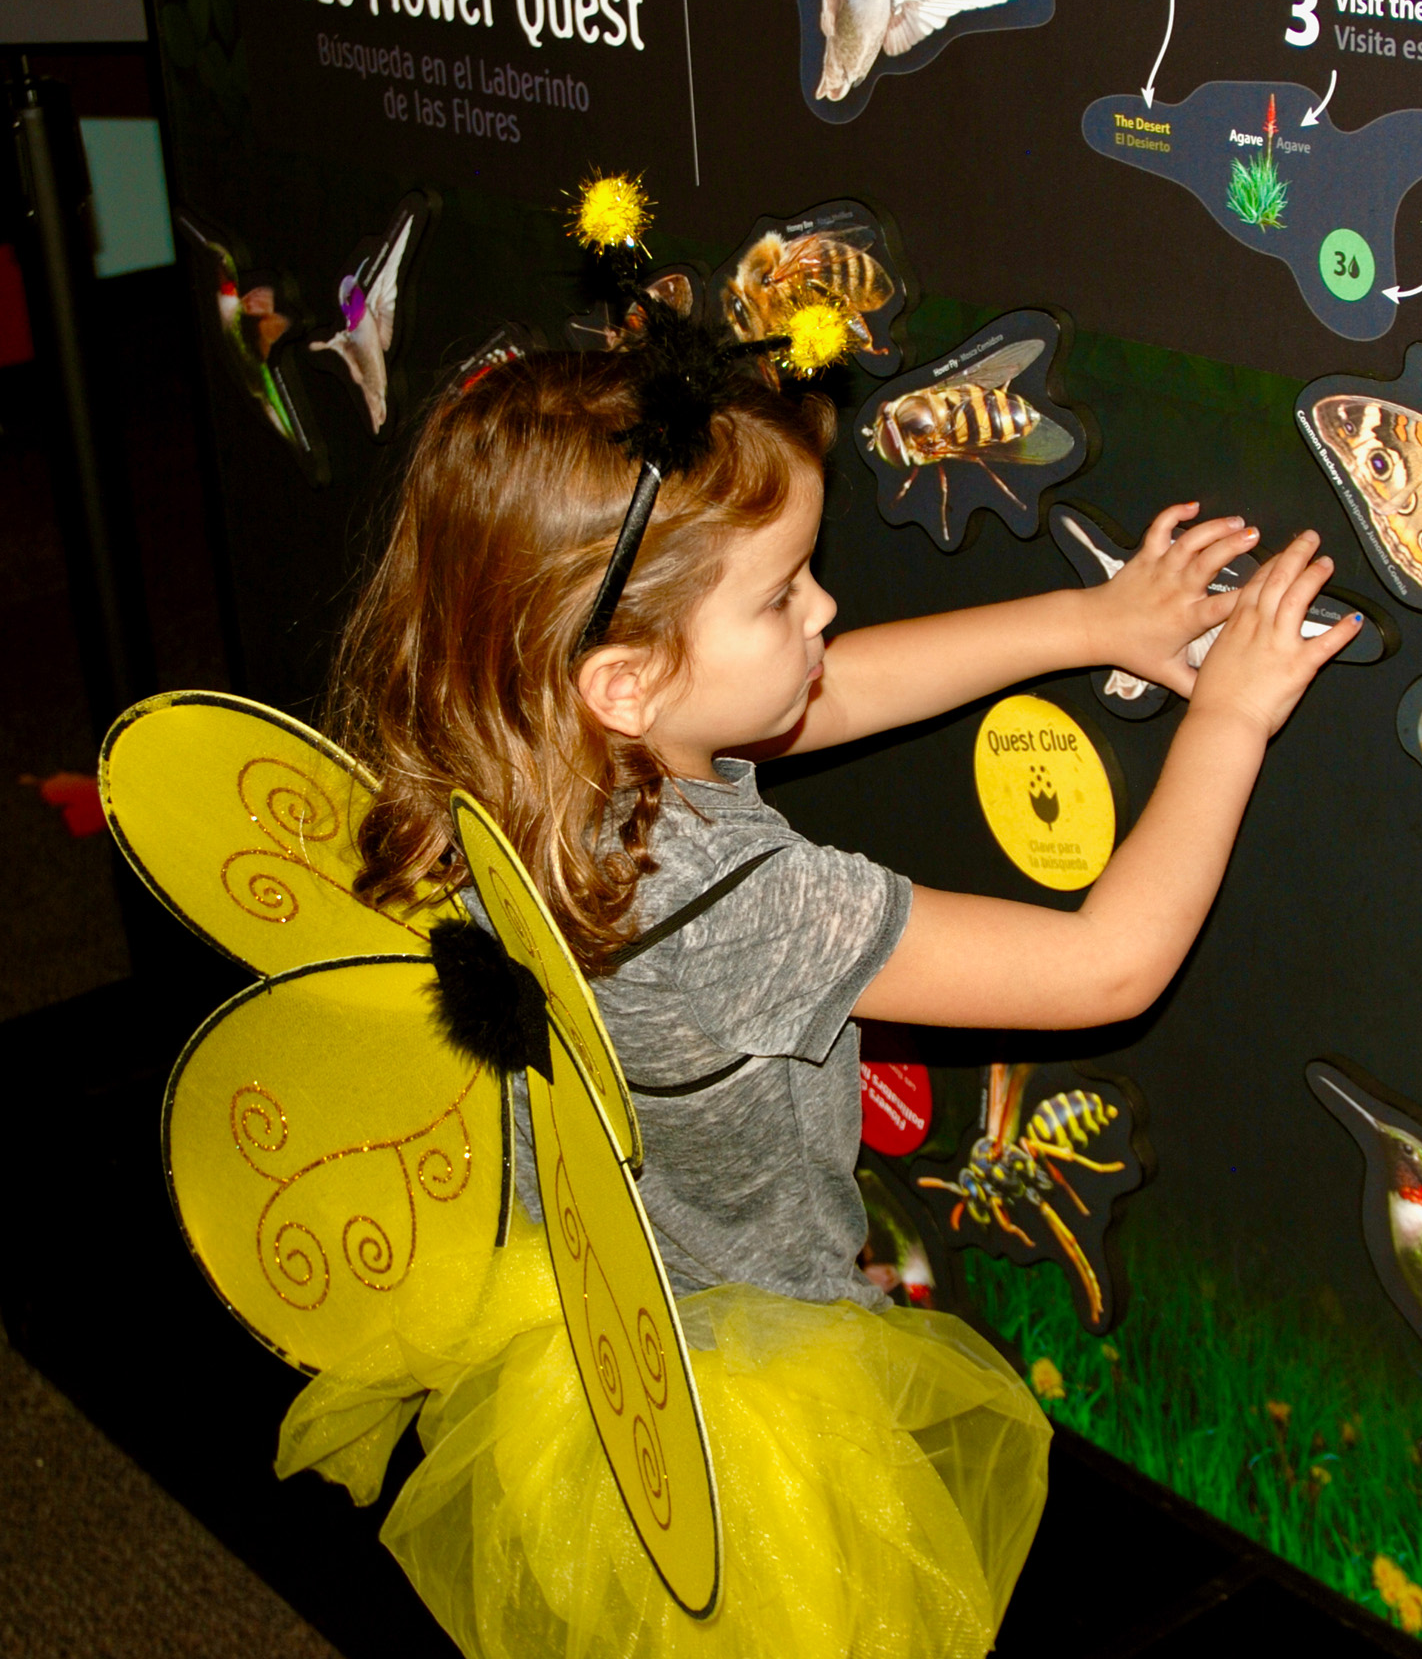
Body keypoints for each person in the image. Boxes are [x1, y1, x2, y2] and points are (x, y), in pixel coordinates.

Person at [301, 324, 1360, 1658]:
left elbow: (822, 693)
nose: (823, 612)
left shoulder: (508, 753)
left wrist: (1093, 621)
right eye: (782, 593)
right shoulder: (729, 902)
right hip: (743, 1399)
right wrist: (1232, 716)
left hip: (585, 1335)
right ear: (627, 681)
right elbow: (1110, 963)